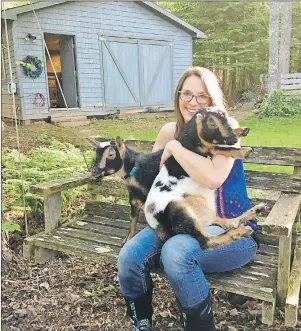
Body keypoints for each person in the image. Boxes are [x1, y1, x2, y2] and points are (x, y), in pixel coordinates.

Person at [118, 67, 258, 331]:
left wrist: (175, 148)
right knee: (129, 256)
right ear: (178, 96)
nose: (193, 102)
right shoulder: (169, 131)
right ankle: (142, 323)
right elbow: (155, 182)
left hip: (232, 229)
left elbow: (214, 178)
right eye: (187, 94)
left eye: (202, 96)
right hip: (177, 221)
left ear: (212, 100)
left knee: (177, 253)